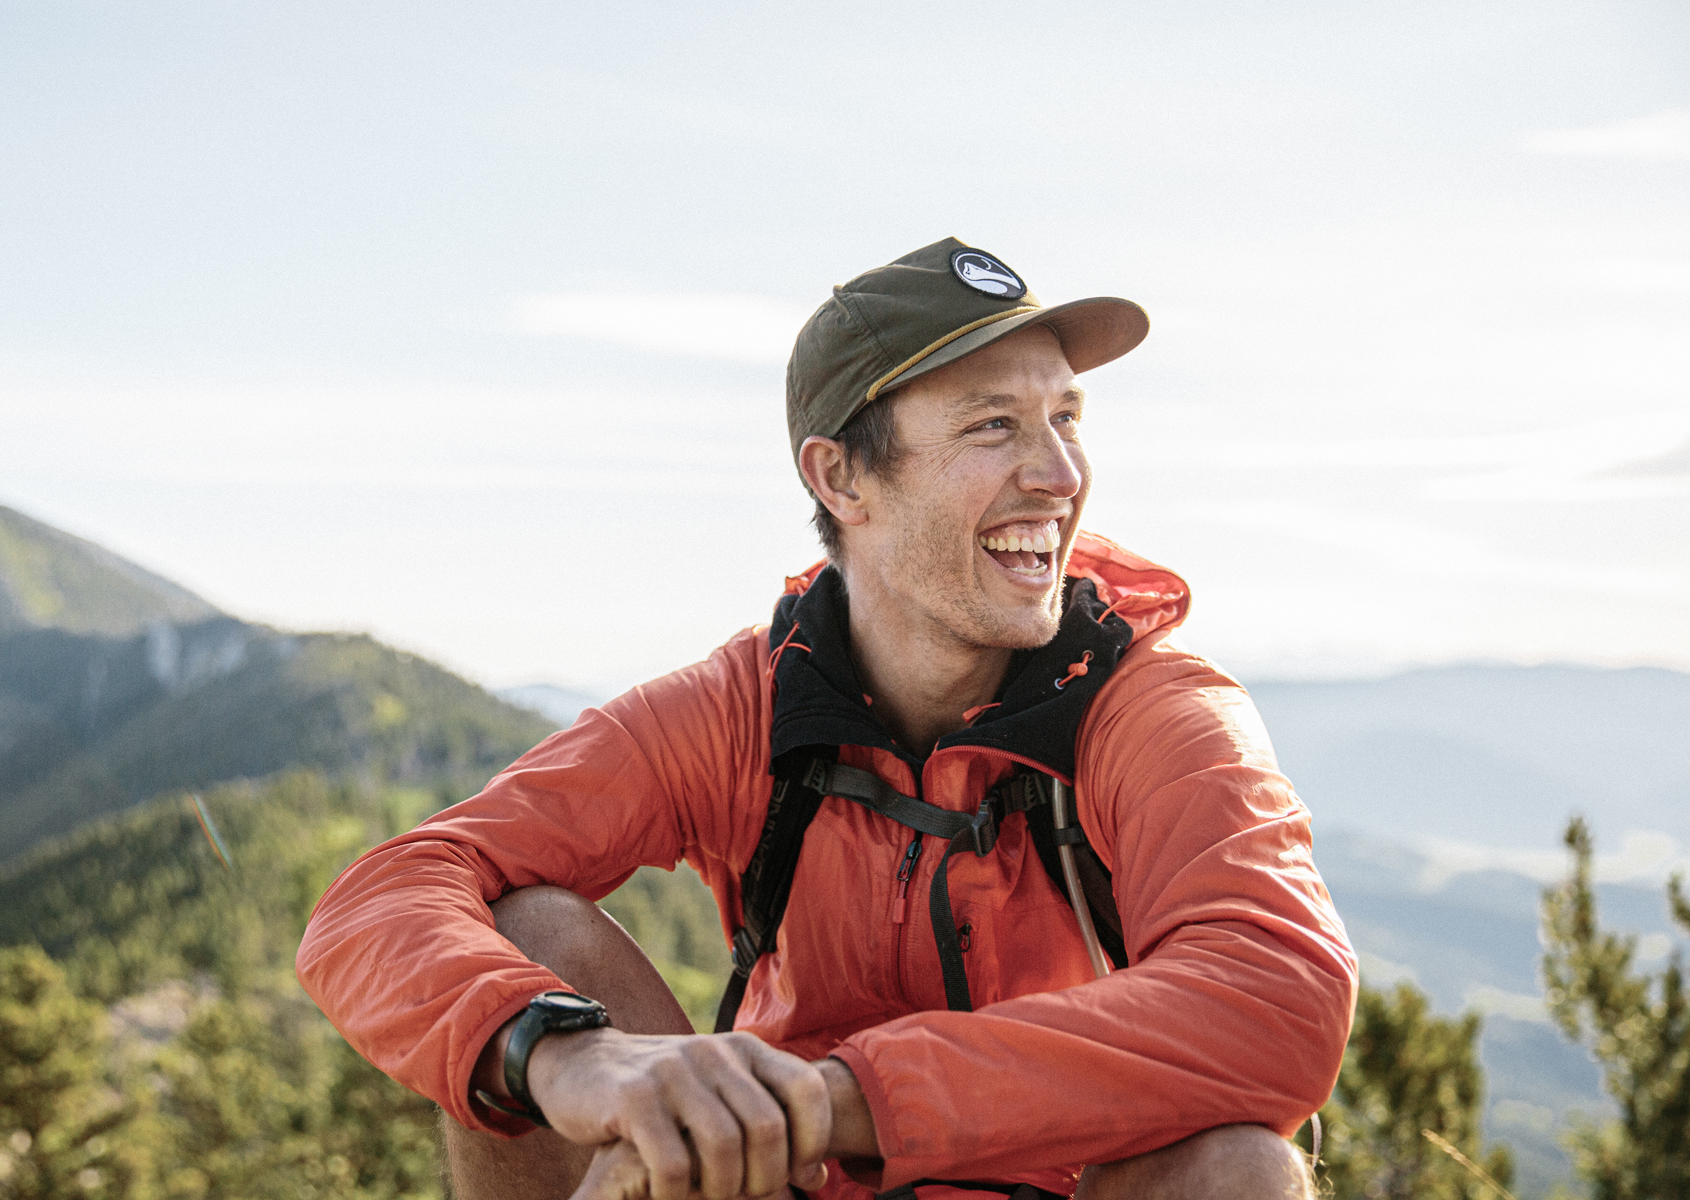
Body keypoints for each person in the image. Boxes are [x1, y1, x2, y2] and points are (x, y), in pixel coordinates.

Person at [297, 238, 1357, 1200]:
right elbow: (380, 897)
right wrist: (565, 1054)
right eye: (995, 425)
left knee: (1238, 1170)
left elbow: (1276, 1000)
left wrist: (828, 1098)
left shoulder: (1154, 707)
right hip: (768, 1183)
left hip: (1040, 1184)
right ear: (839, 476)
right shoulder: (740, 707)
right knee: (526, 928)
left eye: (1065, 419)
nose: (1059, 476)